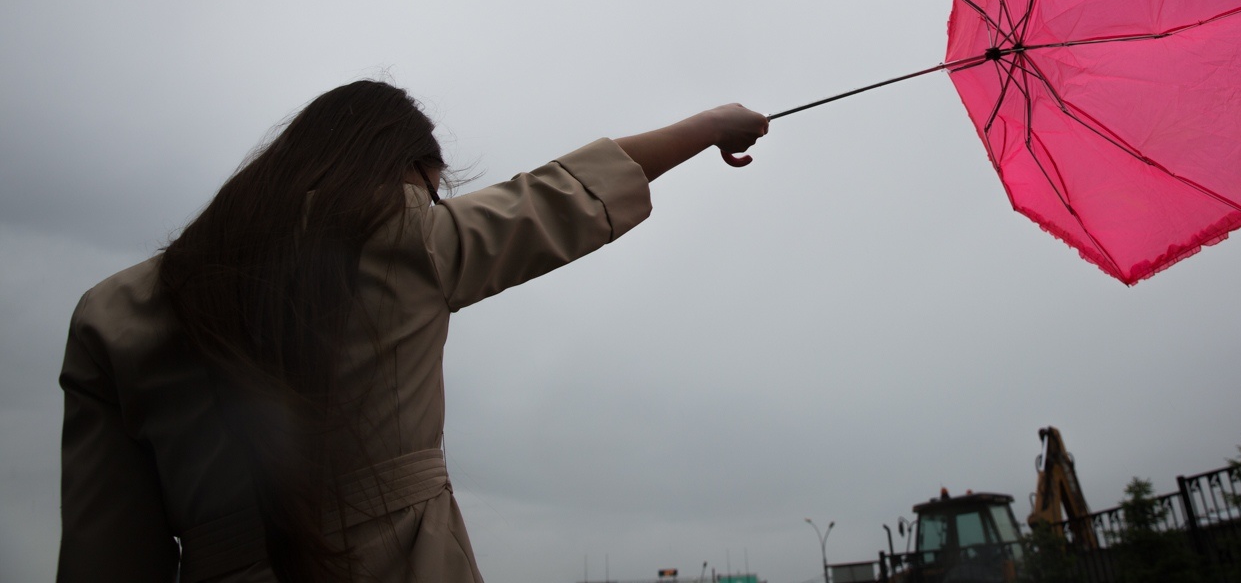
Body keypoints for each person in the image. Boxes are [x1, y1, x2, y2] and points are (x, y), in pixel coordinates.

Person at [57, 80, 769, 583]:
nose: (430, 204)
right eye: (431, 188)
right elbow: (557, 198)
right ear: (399, 171)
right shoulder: (405, 239)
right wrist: (708, 126)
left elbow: (104, 556)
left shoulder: (111, 313)